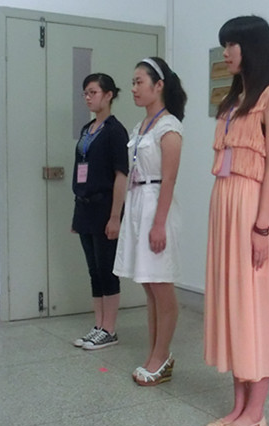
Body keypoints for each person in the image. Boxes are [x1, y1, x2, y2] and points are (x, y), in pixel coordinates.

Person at [203, 16, 269, 426]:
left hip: (251, 210)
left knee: (255, 307)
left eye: (232, 45)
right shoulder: (233, 98)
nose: (226, 53)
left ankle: (256, 411)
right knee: (233, 304)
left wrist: (261, 227)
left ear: (251, 48)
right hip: (224, 207)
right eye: (224, 45)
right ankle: (238, 406)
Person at [113, 57, 187, 386]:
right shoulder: (141, 126)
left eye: (139, 82)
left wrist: (159, 225)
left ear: (159, 86)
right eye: (132, 82)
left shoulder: (168, 127)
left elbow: (168, 180)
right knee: (149, 286)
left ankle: (162, 355)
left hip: (157, 206)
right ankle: (155, 354)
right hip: (138, 203)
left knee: (161, 285)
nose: (133, 88)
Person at [72, 73, 129, 350]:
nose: (88, 97)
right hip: (85, 207)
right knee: (93, 270)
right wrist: (77, 214)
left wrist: (115, 216)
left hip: (105, 207)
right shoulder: (87, 129)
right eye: (85, 92)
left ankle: (110, 329)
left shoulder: (115, 131)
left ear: (108, 95)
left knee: (107, 269)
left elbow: (121, 175)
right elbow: (80, 170)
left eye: (93, 92)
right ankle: (98, 325)